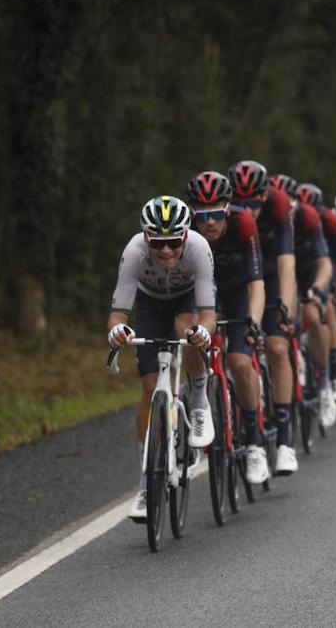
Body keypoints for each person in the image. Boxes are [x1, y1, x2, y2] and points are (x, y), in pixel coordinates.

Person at [107, 196, 216, 520]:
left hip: (186, 301)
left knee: (188, 330)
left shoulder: (198, 249)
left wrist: (204, 334)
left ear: (184, 236)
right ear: (145, 238)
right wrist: (117, 333)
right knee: (150, 389)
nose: (166, 251)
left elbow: (208, 313)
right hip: (151, 304)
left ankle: (198, 399)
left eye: (172, 242)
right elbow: (118, 314)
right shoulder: (133, 253)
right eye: (158, 243)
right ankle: (145, 486)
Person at [186, 171, 270, 485]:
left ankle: (254, 443)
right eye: (202, 215)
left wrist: (254, 323)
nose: (209, 223)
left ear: (228, 209)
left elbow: (256, 283)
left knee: (238, 361)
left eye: (216, 215)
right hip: (199, 295)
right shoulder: (184, 232)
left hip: (237, 294)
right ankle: (196, 412)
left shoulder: (244, 224)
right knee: (190, 342)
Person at [227, 160, 300, 476]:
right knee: (233, 353)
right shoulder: (225, 216)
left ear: (265, 197)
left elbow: (287, 264)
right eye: (239, 204)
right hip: (236, 280)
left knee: (278, 346)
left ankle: (284, 443)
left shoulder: (279, 204)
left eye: (253, 205)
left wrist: (284, 305)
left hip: (271, 276)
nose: (247, 210)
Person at [297, 183, 336, 426]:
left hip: (316, 272)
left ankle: (329, 376)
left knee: (327, 307)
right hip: (290, 272)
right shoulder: (289, 220)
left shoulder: (328, 223)